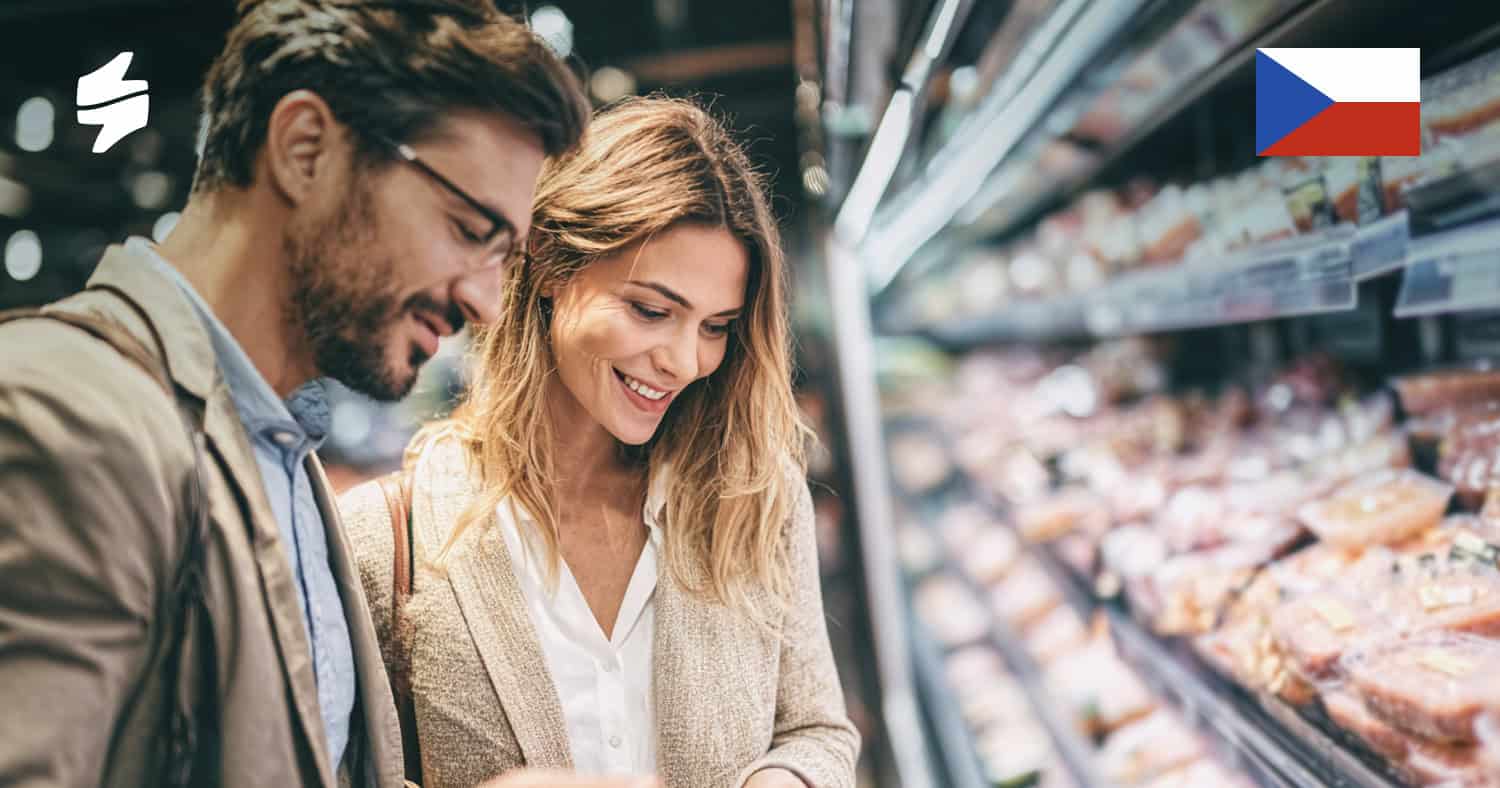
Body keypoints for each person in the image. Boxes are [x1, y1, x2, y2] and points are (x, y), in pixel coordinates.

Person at [0, 1, 651, 786]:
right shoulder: (65, 414)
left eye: (505, 259)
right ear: (305, 148)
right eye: (470, 230)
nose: (486, 302)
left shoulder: (280, 451)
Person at [340, 96, 860, 788]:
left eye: (716, 327)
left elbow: (817, 731)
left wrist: (783, 781)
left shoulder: (756, 501)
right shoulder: (383, 538)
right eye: (651, 310)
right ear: (553, 265)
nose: (685, 360)